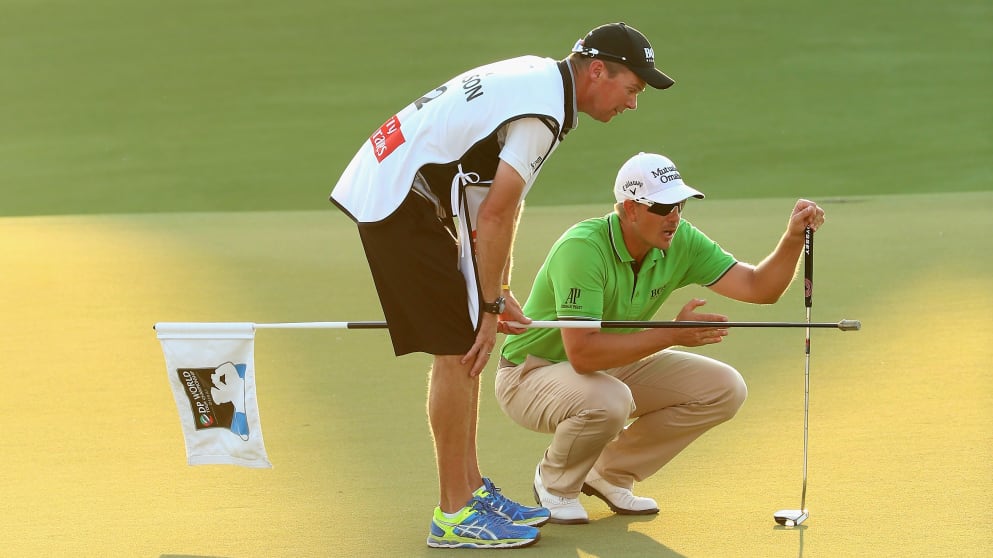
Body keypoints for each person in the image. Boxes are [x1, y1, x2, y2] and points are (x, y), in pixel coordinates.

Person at [330, 24, 677, 549]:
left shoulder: (540, 80)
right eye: (632, 88)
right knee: (459, 348)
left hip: (406, 186)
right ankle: (454, 513)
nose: (632, 104)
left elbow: (483, 197)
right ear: (598, 70)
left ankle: (469, 492)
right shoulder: (545, 112)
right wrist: (488, 305)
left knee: (466, 337)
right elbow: (497, 213)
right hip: (398, 196)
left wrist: (496, 288)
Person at [494, 152, 826, 524]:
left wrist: (793, 238)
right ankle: (554, 484)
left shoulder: (680, 239)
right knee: (610, 399)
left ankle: (608, 473)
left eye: (680, 204)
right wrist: (671, 333)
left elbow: (759, 287)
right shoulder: (582, 248)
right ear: (630, 208)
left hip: (609, 367)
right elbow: (583, 354)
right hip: (530, 374)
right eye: (664, 205)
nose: (675, 216)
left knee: (723, 388)